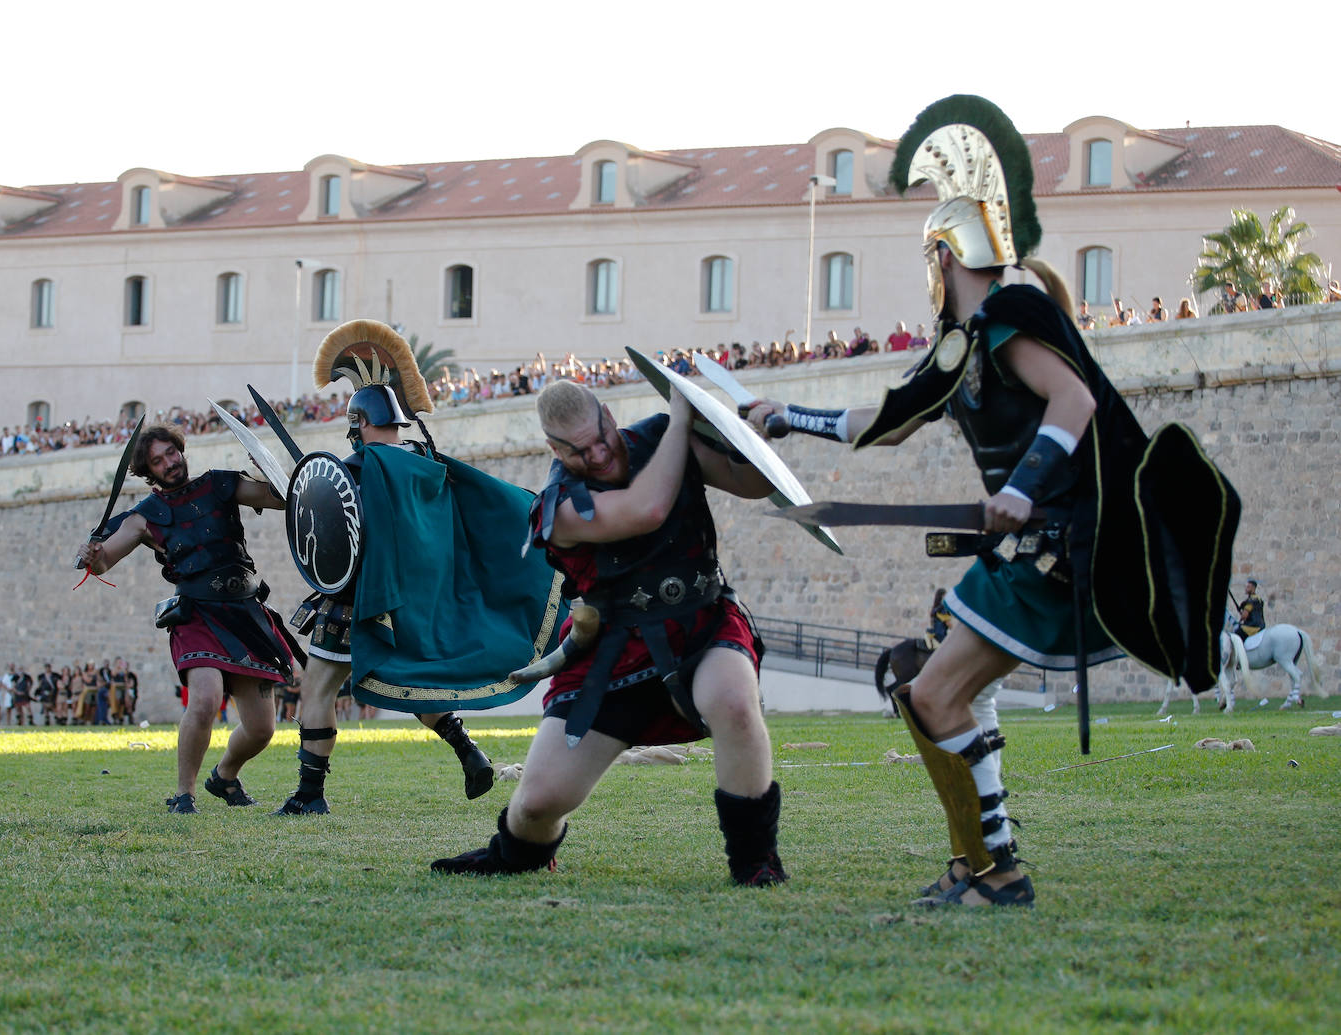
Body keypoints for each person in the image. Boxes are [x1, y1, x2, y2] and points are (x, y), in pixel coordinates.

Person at [747, 95, 1237, 908]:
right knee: (926, 684)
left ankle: (996, 868)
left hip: (1060, 546)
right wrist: (786, 417)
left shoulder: (1013, 313)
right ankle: (983, 863)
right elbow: (887, 423)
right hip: (1027, 548)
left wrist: (1019, 486)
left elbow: (1074, 401)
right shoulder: (962, 345)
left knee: (933, 691)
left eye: (931, 259)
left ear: (943, 256)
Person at [432, 379, 787, 886]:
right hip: (612, 654)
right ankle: (515, 853)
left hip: (702, 624)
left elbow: (752, 483)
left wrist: (754, 440)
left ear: (608, 413)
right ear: (555, 449)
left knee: (734, 703)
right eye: (580, 451)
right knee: (538, 803)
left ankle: (756, 862)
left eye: (601, 437)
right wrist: (681, 419)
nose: (598, 455)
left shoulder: (661, 436)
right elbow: (647, 511)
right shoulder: (558, 509)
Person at [275, 320, 563, 815]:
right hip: (413, 600)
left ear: (359, 422)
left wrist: (302, 495)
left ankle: (309, 794)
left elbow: (341, 528)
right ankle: (469, 751)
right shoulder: (427, 461)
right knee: (409, 675)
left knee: (317, 687)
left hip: (359, 595)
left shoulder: (361, 468)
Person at [75, 421, 305, 813]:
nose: (170, 462)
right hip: (196, 615)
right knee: (204, 699)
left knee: (262, 728)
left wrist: (267, 470)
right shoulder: (144, 517)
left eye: (172, 452)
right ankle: (184, 794)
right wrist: (92, 556)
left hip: (245, 611)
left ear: (181, 450)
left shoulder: (220, 484)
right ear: (148, 471)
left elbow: (282, 499)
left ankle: (225, 776)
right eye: (158, 460)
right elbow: (105, 561)